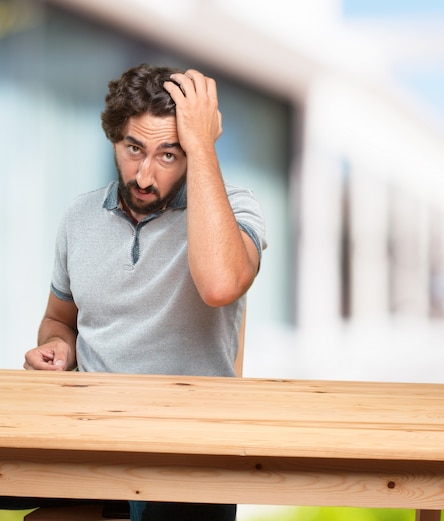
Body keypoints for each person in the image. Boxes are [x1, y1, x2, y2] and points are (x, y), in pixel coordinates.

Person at [2, 64, 267, 521]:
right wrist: (56, 348)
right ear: (113, 139)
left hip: (188, 452)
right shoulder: (79, 217)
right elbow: (59, 319)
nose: (144, 177)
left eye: (169, 155)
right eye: (133, 149)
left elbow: (221, 284)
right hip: (87, 439)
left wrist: (201, 143)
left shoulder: (235, 208)